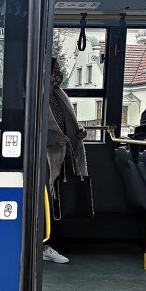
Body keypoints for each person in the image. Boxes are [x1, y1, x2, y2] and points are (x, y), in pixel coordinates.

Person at [45, 57, 89, 264]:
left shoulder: (58, 95)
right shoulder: (36, 95)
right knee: (46, 200)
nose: (58, 74)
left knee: (57, 201)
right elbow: (30, 129)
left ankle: (51, 242)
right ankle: (44, 244)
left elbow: (66, 123)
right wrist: (54, 138)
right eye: (54, 70)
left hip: (62, 154)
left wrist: (77, 133)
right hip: (46, 156)